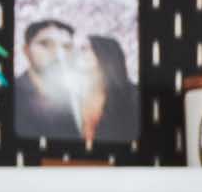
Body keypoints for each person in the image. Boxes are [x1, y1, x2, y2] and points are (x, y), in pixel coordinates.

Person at [8, 16, 130, 149]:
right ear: (26, 50)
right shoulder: (10, 94)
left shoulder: (78, 97)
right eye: (46, 44)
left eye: (66, 47)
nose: (58, 53)